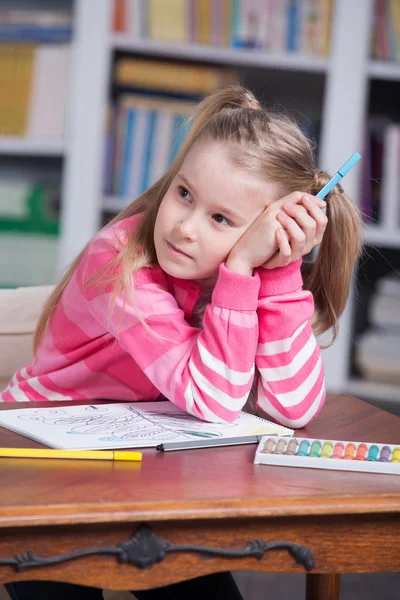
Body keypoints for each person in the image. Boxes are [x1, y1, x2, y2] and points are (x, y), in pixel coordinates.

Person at [2, 85, 362, 599]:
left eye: (220, 219)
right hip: (40, 453)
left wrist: (280, 272)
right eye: (185, 194)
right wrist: (240, 267)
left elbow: (294, 407)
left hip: (148, 456)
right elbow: (214, 401)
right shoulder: (122, 259)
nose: (186, 228)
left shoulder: (248, 271)